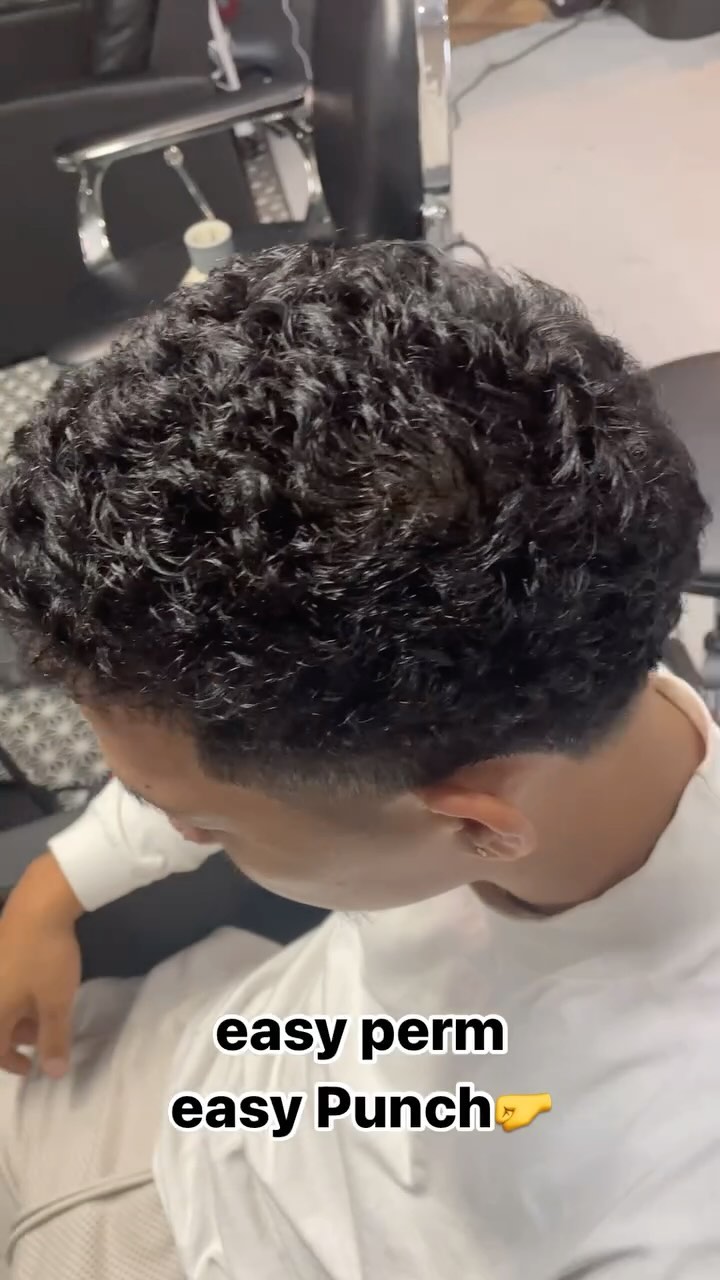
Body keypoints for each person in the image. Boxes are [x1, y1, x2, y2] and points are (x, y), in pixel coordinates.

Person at [0, 240, 715, 1280]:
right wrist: (49, 894)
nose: (174, 828)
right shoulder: (518, 699)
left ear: (473, 825)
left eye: (204, 826)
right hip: (232, 1064)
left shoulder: (672, 1203)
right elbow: (216, 759)